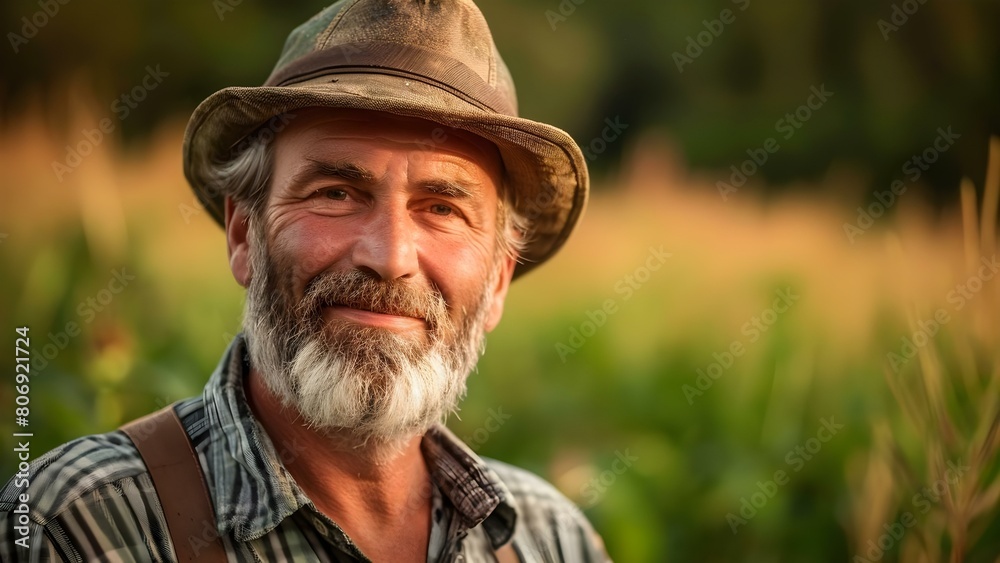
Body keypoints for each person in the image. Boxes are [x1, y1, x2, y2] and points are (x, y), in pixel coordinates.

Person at [0, 0, 608, 561]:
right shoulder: (76, 524)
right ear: (245, 235)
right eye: (337, 194)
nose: (389, 256)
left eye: (442, 208)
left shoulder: (551, 539)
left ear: (500, 279)